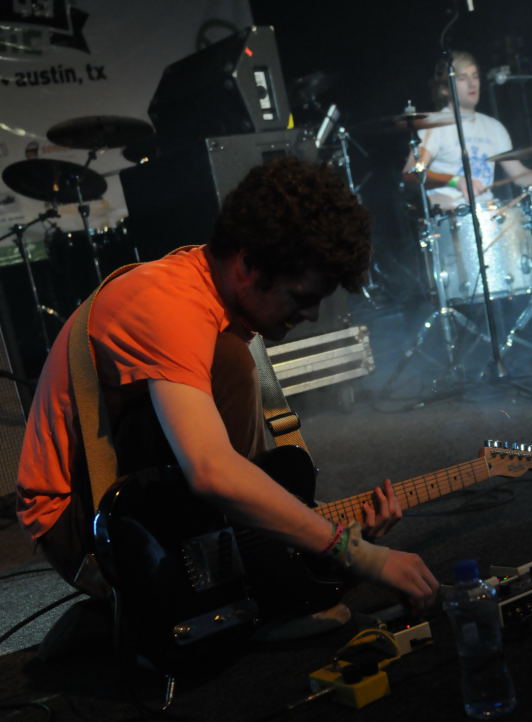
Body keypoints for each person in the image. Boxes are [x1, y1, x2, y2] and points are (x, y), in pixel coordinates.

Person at [16, 156, 439, 639]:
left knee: (233, 365)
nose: (312, 315)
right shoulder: (171, 306)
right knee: (230, 362)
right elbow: (212, 472)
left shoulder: (213, 294)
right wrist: (356, 553)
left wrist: (330, 530)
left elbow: (246, 472)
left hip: (136, 490)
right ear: (247, 264)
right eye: (302, 296)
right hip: (83, 525)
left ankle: (254, 579)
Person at [402, 51, 532, 208]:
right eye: (462, 78)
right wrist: (455, 181)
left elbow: (518, 173)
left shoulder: (494, 127)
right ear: (444, 90)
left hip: (488, 215)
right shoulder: (434, 127)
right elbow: (411, 173)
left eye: (475, 76)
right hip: (451, 217)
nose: (472, 84)